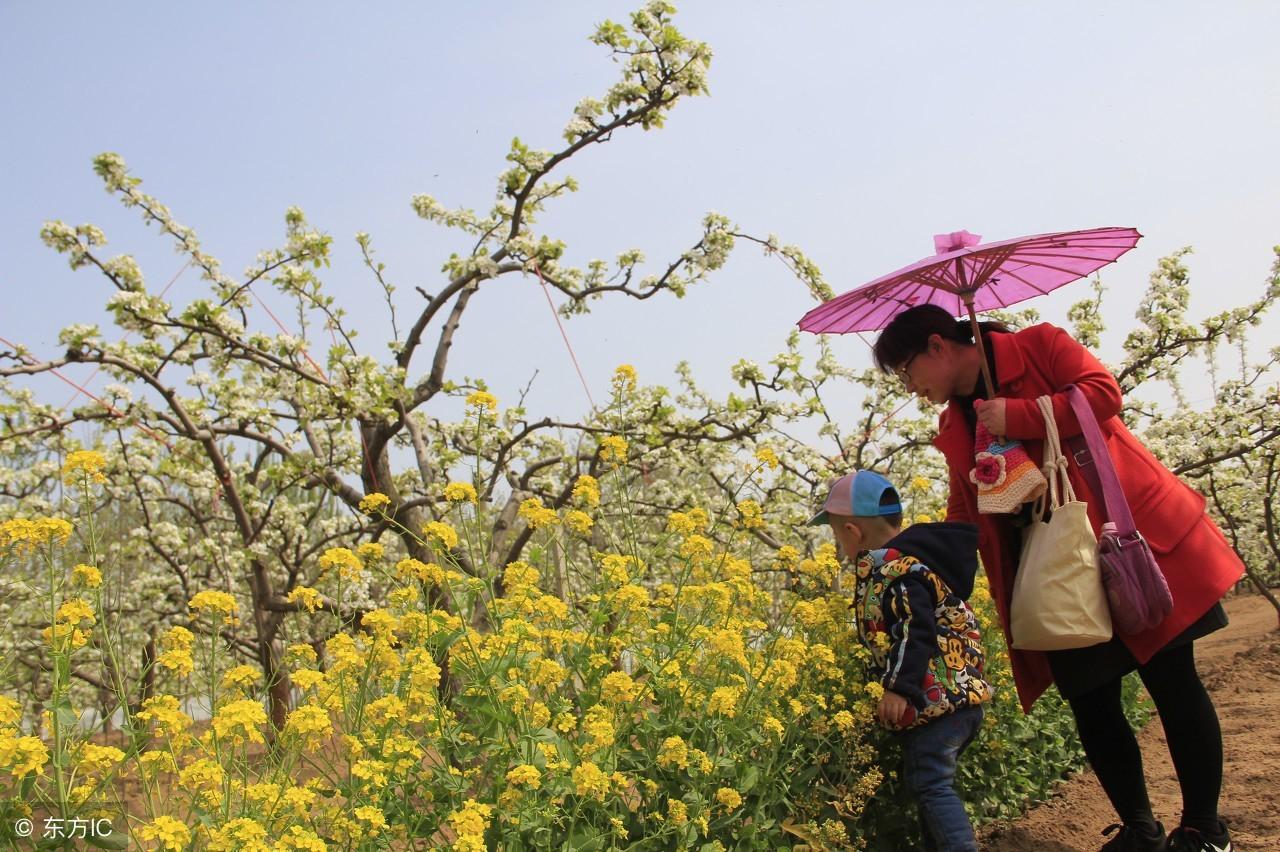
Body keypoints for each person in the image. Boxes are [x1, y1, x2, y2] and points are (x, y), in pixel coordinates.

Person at [873, 304, 1244, 852]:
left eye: (907, 372)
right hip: (1053, 573)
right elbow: (964, 511)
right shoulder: (955, 423)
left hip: (1128, 541)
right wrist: (913, 565)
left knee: (1173, 683)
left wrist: (1020, 415)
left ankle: (1204, 831)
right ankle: (1140, 828)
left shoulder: (1041, 346)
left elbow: (1103, 394)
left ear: (937, 346)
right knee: (1092, 700)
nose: (911, 386)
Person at [810, 469, 992, 852]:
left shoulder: (897, 574)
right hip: (955, 702)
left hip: (937, 702)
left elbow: (914, 630)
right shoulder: (915, 565)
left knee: (931, 784)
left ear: (852, 533)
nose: (838, 544)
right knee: (927, 785)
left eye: (836, 534)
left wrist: (897, 688)